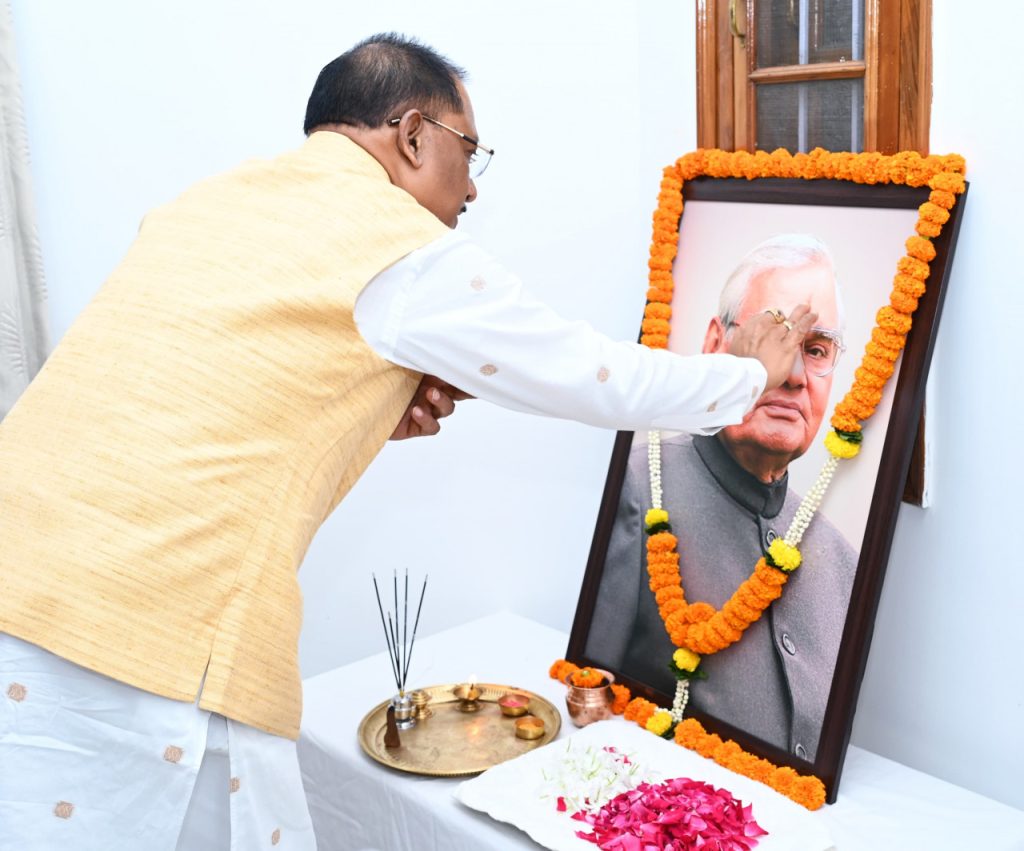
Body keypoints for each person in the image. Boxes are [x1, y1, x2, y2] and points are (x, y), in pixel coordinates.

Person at [0, 35, 815, 850]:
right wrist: (747, 376)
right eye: (471, 151)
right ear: (415, 134)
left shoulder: (210, 201)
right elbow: (590, 373)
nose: (471, 188)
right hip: (141, 635)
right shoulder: (399, 243)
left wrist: (366, 404)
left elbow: (199, 384)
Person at [585, 234, 858, 764]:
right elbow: (587, 713)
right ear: (714, 345)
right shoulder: (636, 489)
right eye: (774, 339)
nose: (794, 376)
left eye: (816, 350)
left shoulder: (844, 562)